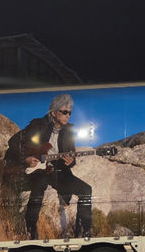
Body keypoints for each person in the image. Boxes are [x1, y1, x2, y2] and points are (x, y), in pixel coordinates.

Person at [22, 94, 92, 239]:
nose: (68, 116)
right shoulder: (37, 125)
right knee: (39, 187)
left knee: (86, 190)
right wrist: (27, 158)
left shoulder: (69, 132)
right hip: (39, 169)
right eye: (64, 112)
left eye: (70, 113)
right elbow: (22, 145)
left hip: (59, 171)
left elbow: (71, 155)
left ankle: (83, 230)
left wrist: (70, 161)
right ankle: (31, 229)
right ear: (54, 113)